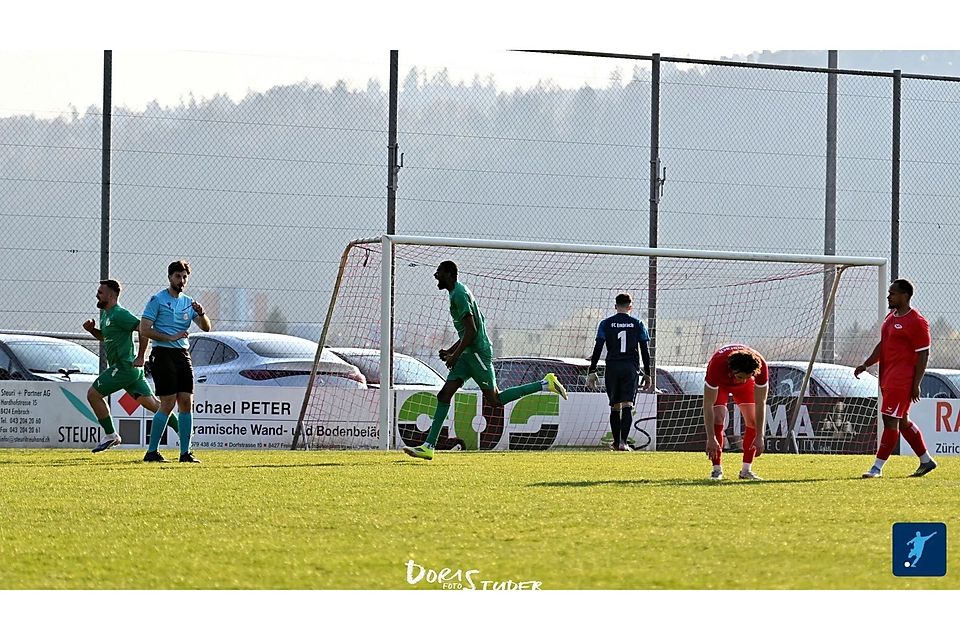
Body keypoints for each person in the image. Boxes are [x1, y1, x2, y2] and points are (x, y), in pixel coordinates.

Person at [402, 260, 568, 460]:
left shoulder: (460, 296)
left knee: (495, 400)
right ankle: (428, 446)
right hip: (467, 354)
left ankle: (545, 383)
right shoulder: (457, 293)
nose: (435, 276)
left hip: (477, 354)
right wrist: (451, 350)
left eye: (438, 272)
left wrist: (454, 355)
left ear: (448, 273)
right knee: (444, 395)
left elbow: (472, 331)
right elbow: (467, 331)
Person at [84, 279, 179, 453]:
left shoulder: (120, 313)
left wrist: (141, 355)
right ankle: (184, 431)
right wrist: (92, 330)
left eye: (100, 292)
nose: (97, 295)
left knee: (93, 395)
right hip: (130, 371)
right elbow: (105, 338)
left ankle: (111, 435)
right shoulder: (106, 314)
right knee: (153, 405)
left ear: (111, 295)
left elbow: (143, 329)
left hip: (125, 367)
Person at [855, 279, 937, 478]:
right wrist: (866, 364)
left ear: (905, 296)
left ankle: (877, 468)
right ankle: (926, 461)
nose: (888, 296)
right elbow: (884, 345)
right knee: (903, 421)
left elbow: (923, 354)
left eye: (892, 293)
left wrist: (916, 384)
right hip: (887, 378)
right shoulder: (890, 317)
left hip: (902, 380)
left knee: (890, 420)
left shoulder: (917, 322)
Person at [138, 260, 212, 463]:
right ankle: (152, 452)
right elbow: (144, 329)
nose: (181, 280)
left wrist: (202, 313)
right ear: (170, 277)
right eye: (178, 276)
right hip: (162, 354)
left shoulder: (189, 302)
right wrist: (169, 337)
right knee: (168, 403)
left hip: (182, 356)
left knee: (186, 402)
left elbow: (206, 328)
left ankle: (185, 453)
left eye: (185, 276)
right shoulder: (157, 300)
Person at [586, 293, 651, 451]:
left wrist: (592, 370)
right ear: (630, 306)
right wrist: (647, 373)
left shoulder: (606, 324)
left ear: (615, 306)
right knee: (627, 404)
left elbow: (598, 347)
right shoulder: (638, 324)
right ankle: (624, 442)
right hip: (630, 368)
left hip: (613, 367)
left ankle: (616, 442)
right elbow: (644, 350)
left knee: (615, 406)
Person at [703, 344, 768, 481]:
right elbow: (708, 404)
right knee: (718, 416)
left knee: (753, 420)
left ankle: (746, 470)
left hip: (744, 389)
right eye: (740, 376)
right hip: (722, 384)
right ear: (732, 370)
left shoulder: (761, 366)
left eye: (748, 376)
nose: (742, 380)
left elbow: (761, 403)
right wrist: (710, 438)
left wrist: (759, 436)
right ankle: (716, 470)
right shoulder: (717, 366)